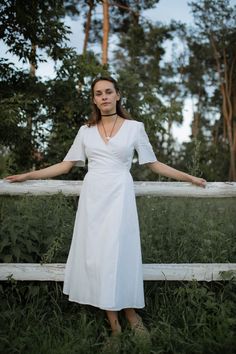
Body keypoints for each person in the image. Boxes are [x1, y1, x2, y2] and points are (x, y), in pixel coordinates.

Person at [5, 76, 206, 342]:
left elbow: (153, 164)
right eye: (98, 93)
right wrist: (27, 176)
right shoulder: (85, 131)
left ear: (118, 95)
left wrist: (189, 177)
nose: (104, 97)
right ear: (94, 99)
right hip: (93, 200)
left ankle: (132, 314)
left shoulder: (135, 128)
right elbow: (65, 165)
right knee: (98, 258)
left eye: (108, 92)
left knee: (119, 255)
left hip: (119, 198)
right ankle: (115, 326)